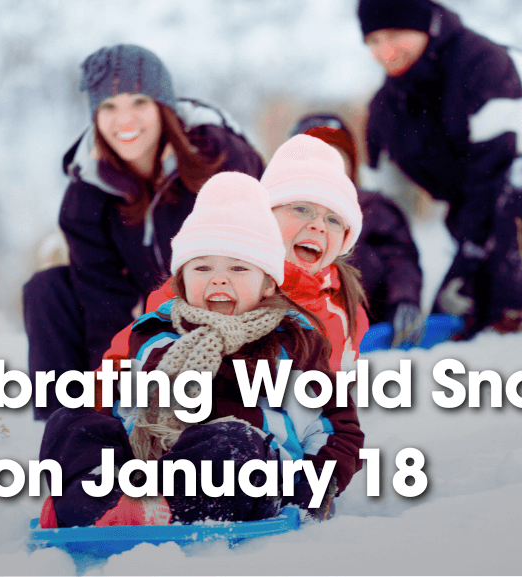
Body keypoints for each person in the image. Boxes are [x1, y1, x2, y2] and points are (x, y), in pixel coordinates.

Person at [39, 172, 364, 528]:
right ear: (181, 279)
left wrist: (312, 493)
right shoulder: (152, 333)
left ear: (269, 283)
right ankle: (91, 507)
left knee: (233, 440)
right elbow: (113, 401)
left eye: (238, 268)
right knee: (70, 422)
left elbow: (338, 430)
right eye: (203, 267)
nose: (219, 279)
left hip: (248, 477)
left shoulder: (296, 342)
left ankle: (160, 510)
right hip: (147, 465)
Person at [23, 44, 265, 420]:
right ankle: (68, 421)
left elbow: (258, 251)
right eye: (108, 106)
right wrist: (109, 388)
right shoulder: (87, 191)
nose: (124, 120)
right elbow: (101, 296)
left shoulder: (220, 156)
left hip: (225, 299)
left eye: (138, 101)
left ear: (162, 106)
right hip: (148, 309)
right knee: (47, 290)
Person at [357, 0, 522, 339]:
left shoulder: (482, 62)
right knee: (455, 312)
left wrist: (471, 254)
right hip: (479, 207)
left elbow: (500, 164)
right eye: (373, 41)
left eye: (395, 34)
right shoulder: (387, 109)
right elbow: (376, 205)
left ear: (425, 25)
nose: (384, 50)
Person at [103, 134, 369, 373]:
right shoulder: (206, 280)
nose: (318, 225)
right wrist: (93, 413)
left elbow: (337, 401)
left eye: (334, 220)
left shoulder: (346, 309)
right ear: (267, 215)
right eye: (301, 209)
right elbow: (125, 359)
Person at [291, 113, 424, 347]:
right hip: (297, 324)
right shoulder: (278, 211)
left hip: (368, 323)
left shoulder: (372, 208)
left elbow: (399, 259)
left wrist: (404, 300)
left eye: (337, 158)